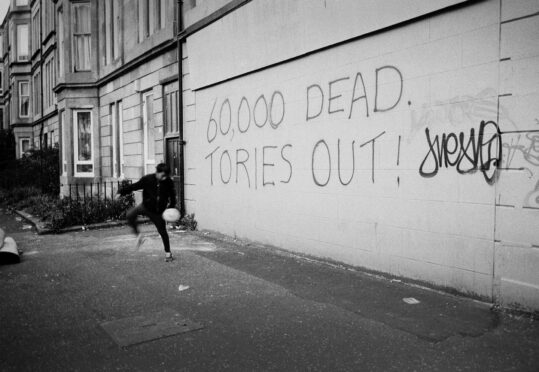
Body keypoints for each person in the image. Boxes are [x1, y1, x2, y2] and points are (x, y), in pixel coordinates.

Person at [119, 163, 177, 262]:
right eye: (162, 175)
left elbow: (172, 197)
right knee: (130, 214)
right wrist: (121, 192)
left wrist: (170, 209)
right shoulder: (147, 179)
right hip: (145, 207)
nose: (164, 178)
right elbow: (134, 186)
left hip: (158, 212)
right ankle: (139, 237)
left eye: (166, 176)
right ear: (157, 172)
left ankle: (168, 254)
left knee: (163, 232)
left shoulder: (168, 182)